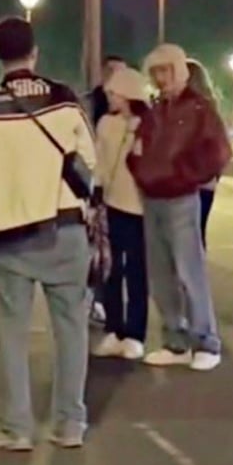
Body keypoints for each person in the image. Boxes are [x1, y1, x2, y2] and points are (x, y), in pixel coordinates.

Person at [0, 17, 96, 451]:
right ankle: (69, 423)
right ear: (34, 52)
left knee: (11, 333)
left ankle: (15, 428)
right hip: (65, 228)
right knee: (71, 328)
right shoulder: (65, 100)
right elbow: (88, 163)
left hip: (7, 235)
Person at [127, 43, 232, 371]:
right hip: (153, 197)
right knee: (161, 275)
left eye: (166, 70)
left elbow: (218, 151)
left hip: (180, 197)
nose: (161, 78)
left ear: (179, 71)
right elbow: (138, 148)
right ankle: (175, 340)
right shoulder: (156, 111)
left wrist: (184, 175)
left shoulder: (198, 109)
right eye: (156, 72)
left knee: (189, 271)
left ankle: (205, 340)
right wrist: (141, 171)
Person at [92, 65, 150, 360]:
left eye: (113, 93)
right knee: (110, 269)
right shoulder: (105, 123)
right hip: (111, 205)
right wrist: (95, 195)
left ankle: (136, 334)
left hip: (141, 208)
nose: (110, 97)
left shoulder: (148, 124)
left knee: (138, 271)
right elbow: (99, 163)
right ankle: (114, 329)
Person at [87, 55, 127, 325]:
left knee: (115, 253)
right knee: (100, 251)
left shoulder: (132, 111)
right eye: (113, 71)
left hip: (122, 192)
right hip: (100, 189)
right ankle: (97, 300)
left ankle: (108, 305)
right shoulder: (94, 106)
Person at [186, 58, 222, 249]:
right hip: (207, 181)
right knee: (199, 231)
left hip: (186, 181)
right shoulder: (211, 108)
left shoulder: (185, 110)